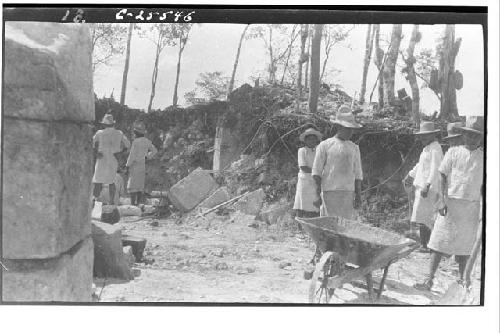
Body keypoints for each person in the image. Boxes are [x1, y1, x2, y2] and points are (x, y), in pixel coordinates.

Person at [414, 116, 484, 291]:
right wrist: (442, 200)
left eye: (475, 136)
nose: (471, 139)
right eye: (468, 135)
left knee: (465, 248)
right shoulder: (454, 152)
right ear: (464, 135)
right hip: (450, 204)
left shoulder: (484, 157)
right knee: (438, 243)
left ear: (481, 138)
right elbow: (442, 174)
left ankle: (462, 282)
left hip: (471, 207)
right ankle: (428, 279)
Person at [312, 105, 363, 220]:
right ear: (338, 127)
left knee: (345, 223)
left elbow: (358, 174)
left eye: (352, 129)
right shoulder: (325, 145)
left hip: (348, 192)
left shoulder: (354, 148)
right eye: (347, 128)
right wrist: (317, 194)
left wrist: (358, 195)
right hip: (330, 191)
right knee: (329, 222)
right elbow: (316, 172)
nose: (350, 132)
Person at [404, 121, 443, 251]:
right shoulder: (427, 148)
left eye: (426, 136)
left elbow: (435, 168)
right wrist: (410, 175)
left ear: (433, 135)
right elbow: (420, 165)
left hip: (428, 188)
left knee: (426, 217)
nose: (423, 138)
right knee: (421, 215)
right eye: (422, 136)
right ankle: (424, 243)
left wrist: (428, 184)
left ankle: (427, 244)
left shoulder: (435, 148)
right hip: (421, 185)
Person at [92, 113, 130, 206]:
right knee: (111, 181)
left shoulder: (99, 133)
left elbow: (91, 143)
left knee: (98, 181)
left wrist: (96, 153)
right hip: (113, 159)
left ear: (104, 124)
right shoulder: (119, 133)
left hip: (102, 159)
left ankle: (94, 201)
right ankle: (111, 202)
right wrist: (120, 153)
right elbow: (128, 145)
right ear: (113, 124)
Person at [293, 128, 323, 218]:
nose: (311, 141)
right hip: (305, 180)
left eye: (313, 138)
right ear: (305, 140)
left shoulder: (319, 150)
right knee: (300, 202)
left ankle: (314, 223)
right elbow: (303, 167)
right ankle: (299, 224)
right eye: (309, 139)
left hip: (316, 180)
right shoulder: (302, 150)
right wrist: (316, 171)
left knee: (315, 202)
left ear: (316, 140)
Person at [126, 122, 158, 206]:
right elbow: (155, 150)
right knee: (140, 184)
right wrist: (147, 157)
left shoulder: (135, 142)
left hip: (134, 164)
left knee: (132, 184)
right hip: (142, 164)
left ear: (136, 133)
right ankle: (138, 203)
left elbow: (132, 155)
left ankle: (133, 204)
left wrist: (127, 165)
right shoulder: (147, 141)